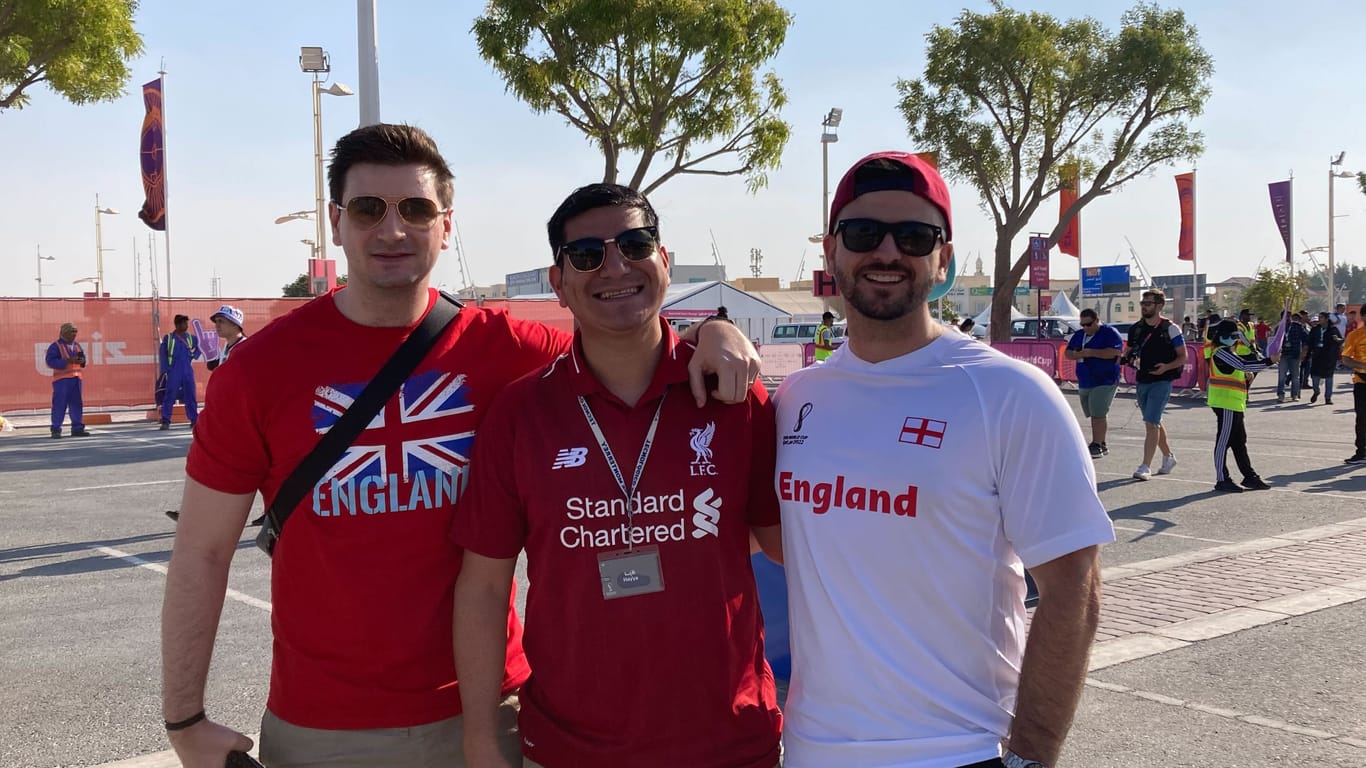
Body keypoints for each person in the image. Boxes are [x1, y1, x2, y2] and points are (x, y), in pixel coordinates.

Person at [159, 123, 759, 768]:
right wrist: (184, 718)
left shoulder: (508, 350)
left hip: (488, 714)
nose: (392, 230)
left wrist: (714, 331)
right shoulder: (260, 369)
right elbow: (201, 550)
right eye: (368, 209)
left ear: (446, 226)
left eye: (416, 209)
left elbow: (624, 342)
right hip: (325, 729)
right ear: (336, 222)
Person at [774, 150, 1113, 768]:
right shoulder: (798, 397)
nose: (886, 252)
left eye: (913, 236)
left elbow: (1074, 592)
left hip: (959, 751)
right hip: (811, 750)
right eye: (862, 233)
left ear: (944, 257)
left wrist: (1031, 758)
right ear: (832, 251)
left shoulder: (1009, 394)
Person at [452, 183, 783, 768]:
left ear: (664, 259)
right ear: (558, 282)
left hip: (730, 744)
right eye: (586, 255)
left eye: (634, 244)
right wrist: (480, 737)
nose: (615, 266)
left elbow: (792, 547)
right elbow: (482, 588)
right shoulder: (520, 412)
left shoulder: (735, 395)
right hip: (570, 749)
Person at [1205, 320, 1275, 492]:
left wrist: (1248, 372)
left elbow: (1241, 368)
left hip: (1235, 403)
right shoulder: (1220, 352)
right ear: (1223, 337)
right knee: (1223, 441)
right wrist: (1269, 361)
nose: (1235, 340)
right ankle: (1222, 479)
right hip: (1225, 402)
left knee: (1239, 441)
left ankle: (1249, 476)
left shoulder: (1229, 351)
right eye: (1233, 337)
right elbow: (1242, 365)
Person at [1126, 289, 1186, 480]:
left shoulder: (1171, 328)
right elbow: (1127, 351)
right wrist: (1125, 358)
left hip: (1162, 380)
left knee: (1151, 423)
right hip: (1142, 379)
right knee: (1153, 422)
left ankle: (1145, 466)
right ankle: (1168, 457)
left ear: (1160, 305)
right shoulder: (1136, 328)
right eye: (1143, 303)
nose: (1144, 306)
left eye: (1148, 303)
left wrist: (1166, 367)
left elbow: (1183, 357)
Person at [1064, 307, 1122, 458]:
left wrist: (1092, 352)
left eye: (1088, 324)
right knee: (1092, 413)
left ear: (1097, 320)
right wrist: (1077, 354)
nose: (1085, 328)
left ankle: (1096, 444)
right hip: (1085, 379)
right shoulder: (1079, 335)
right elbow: (1068, 353)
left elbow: (1115, 352)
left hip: (1105, 379)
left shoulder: (1109, 333)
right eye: (1082, 325)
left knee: (1098, 413)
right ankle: (1101, 443)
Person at [45, 322, 91, 438]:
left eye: (75, 332)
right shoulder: (56, 346)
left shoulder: (77, 345)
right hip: (62, 380)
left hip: (76, 379)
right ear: (64, 332)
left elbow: (82, 358)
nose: (74, 334)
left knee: (76, 404)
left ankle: (77, 428)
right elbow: (50, 361)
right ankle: (56, 429)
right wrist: (67, 361)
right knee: (59, 404)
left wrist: (82, 361)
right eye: (72, 332)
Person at [159, 314, 202, 429]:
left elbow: (200, 346)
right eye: (184, 323)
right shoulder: (169, 338)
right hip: (174, 370)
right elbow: (163, 354)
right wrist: (165, 370)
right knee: (170, 395)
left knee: (190, 395)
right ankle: (166, 420)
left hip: (187, 370)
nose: (186, 325)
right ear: (177, 325)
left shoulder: (190, 338)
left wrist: (195, 355)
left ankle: (194, 419)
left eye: (187, 323)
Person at [1341, 317, 1366, 464]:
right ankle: (1361, 452)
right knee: (1362, 418)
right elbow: (1345, 358)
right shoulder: (1355, 335)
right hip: (1361, 382)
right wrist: (1363, 365)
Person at [1307, 312, 1343, 405]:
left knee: (1329, 377)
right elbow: (1309, 342)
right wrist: (1307, 354)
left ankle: (1328, 398)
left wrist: (1337, 340)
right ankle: (1316, 391)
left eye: (1321, 317)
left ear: (1327, 319)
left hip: (1329, 356)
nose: (1319, 319)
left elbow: (1340, 341)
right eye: (1319, 317)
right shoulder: (1315, 329)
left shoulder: (1333, 329)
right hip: (1317, 356)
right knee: (1315, 376)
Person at [1275, 310, 1307, 402]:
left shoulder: (1298, 326)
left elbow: (1305, 339)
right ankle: (1281, 394)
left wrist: (1303, 352)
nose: (1288, 318)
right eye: (1285, 316)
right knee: (1282, 376)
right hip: (1283, 355)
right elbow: (1275, 342)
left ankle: (1295, 395)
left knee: (1295, 376)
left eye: (1289, 316)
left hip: (1295, 354)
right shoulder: (1279, 328)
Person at [205, 305, 247, 372]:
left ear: (234, 324)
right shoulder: (227, 346)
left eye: (221, 321)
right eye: (216, 321)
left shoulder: (245, 348)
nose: (216, 325)